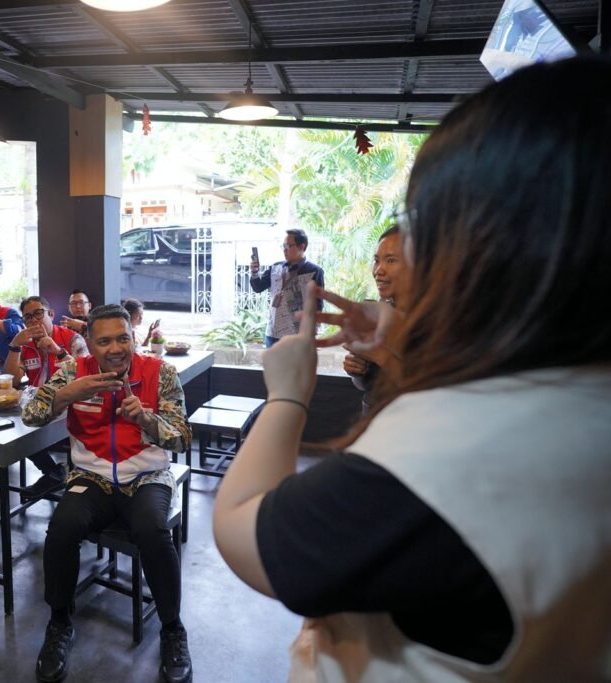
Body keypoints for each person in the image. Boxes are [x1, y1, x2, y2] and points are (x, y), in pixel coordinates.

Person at [213, 58, 611, 681]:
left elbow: (243, 528)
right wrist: (403, 344)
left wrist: (287, 394)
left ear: (495, 241)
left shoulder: (466, 449)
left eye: (424, 225)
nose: (397, 260)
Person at [23, 304, 193, 683]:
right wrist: (67, 394)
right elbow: (31, 414)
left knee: (152, 530)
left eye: (122, 339)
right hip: (92, 477)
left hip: (147, 476)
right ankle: (59, 623)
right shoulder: (74, 369)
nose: (115, 348)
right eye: (104, 341)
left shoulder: (160, 372)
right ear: (90, 343)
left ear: (133, 338)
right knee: (62, 527)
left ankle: (172, 628)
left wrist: (147, 419)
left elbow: (182, 438)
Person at [4, 295, 87, 498]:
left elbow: (86, 377)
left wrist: (58, 351)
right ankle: (53, 472)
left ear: (51, 314)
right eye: (28, 317)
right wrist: (14, 346)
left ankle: (72, 483)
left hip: (71, 407)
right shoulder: (26, 344)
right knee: (15, 427)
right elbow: (12, 380)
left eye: (38, 314)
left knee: (28, 425)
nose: (34, 320)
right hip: (40, 407)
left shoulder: (71, 338)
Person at [343, 226, 407, 412]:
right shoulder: (379, 313)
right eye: (376, 261)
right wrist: (357, 370)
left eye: (391, 260)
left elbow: (430, 390)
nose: (379, 270)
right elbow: (365, 385)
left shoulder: (436, 320)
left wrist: (379, 354)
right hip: (374, 417)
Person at [249, 228, 324, 347]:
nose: (284, 250)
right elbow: (258, 287)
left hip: (298, 335)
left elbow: (318, 305)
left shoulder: (314, 271)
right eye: (283, 246)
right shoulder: (275, 267)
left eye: (288, 246)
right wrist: (254, 272)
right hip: (273, 333)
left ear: (301, 247)